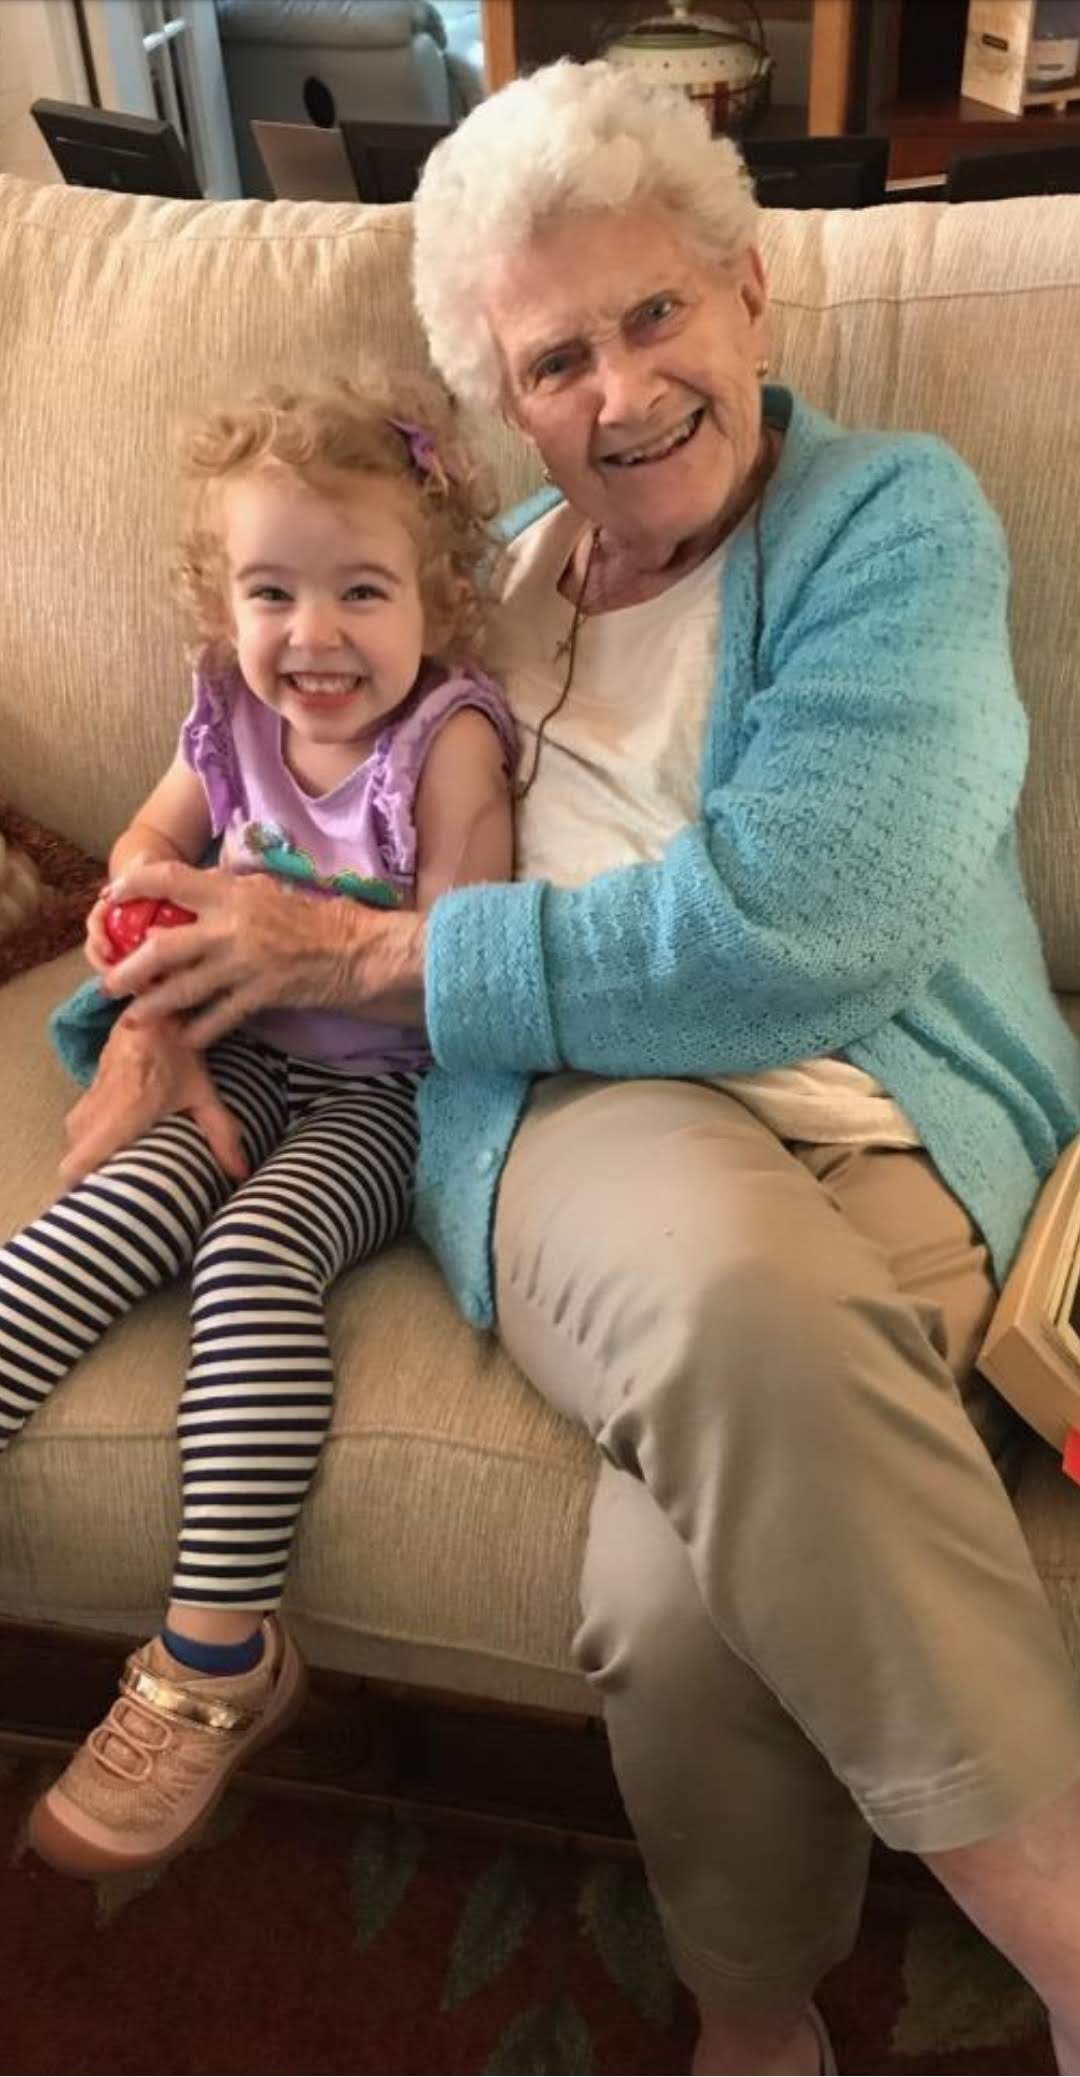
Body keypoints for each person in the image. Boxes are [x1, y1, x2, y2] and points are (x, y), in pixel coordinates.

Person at [44, 58, 1080, 2076]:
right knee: (723, 1292)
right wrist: (149, 1015)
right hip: (581, 1123)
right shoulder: (474, 589)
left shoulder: (892, 518)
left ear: (750, 292)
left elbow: (803, 923)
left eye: (654, 312)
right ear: (507, 404)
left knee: (680, 1605)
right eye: (555, 360)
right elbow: (249, 846)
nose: (622, 390)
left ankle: (754, 2020)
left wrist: (376, 956)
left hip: (883, 1125)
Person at [1, 372, 515, 1879]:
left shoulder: (449, 741)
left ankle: (216, 1655)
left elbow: (463, 956)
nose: (313, 633)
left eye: (362, 589)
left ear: (439, 599)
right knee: (97, 1218)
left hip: (383, 1091)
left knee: (250, 1257)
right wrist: (136, 924)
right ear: (222, 602)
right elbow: (148, 837)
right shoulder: (226, 709)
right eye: (271, 591)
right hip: (233, 1055)